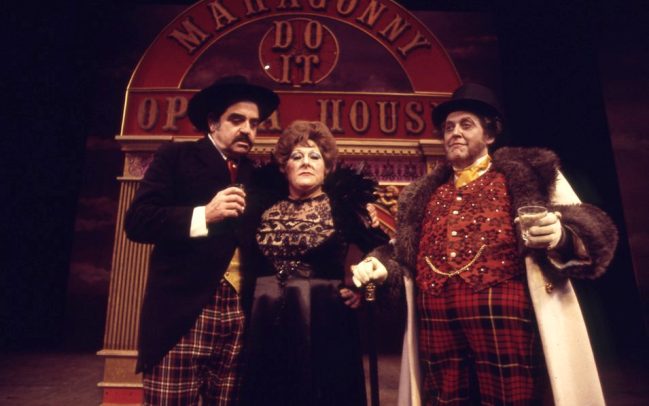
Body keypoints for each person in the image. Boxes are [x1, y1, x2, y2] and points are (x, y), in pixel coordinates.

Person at [352, 83, 618, 405]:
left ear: (490, 135)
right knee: (445, 399)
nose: (455, 133)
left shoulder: (529, 174)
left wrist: (561, 235)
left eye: (466, 125)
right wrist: (381, 264)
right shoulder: (422, 193)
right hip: (435, 320)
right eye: (449, 127)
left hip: (503, 316)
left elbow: (592, 227)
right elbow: (403, 254)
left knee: (508, 399)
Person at [123, 75, 279, 405]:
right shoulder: (176, 157)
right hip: (182, 316)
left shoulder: (255, 175)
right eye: (237, 120)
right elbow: (138, 222)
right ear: (212, 122)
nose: (247, 130)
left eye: (254, 123)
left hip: (238, 317)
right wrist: (203, 215)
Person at [241, 120, 388, 406]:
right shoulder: (260, 209)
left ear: (327, 167)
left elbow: (383, 252)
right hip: (265, 321)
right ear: (284, 167)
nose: (306, 162)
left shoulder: (346, 209)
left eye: (314, 156)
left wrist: (361, 288)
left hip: (326, 323)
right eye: (297, 156)